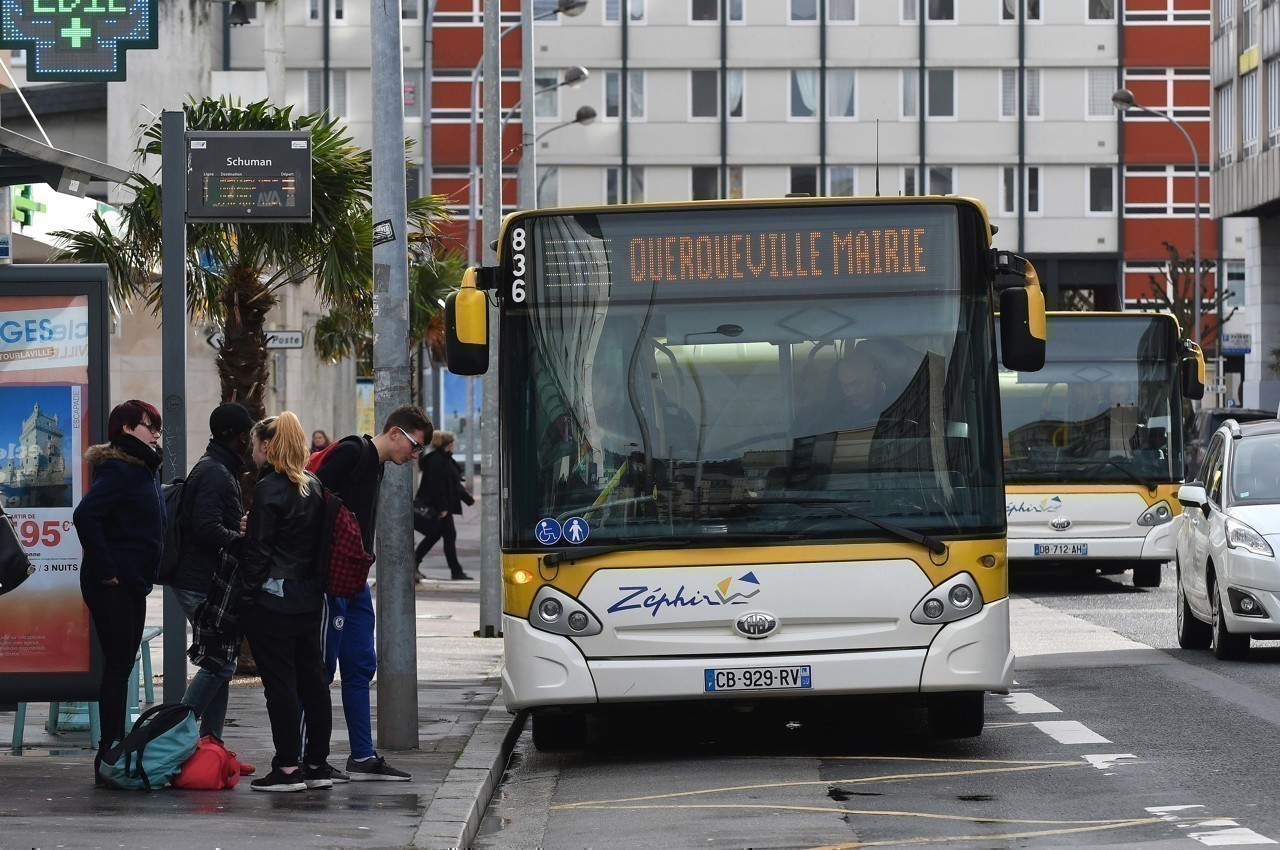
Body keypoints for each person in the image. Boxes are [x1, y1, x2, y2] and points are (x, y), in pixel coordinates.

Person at [313, 405, 431, 781]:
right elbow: (308, 495)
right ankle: (306, 759)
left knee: (360, 663)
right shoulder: (352, 451)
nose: (415, 455)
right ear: (395, 433)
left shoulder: (375, 465)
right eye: (415, 446)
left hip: (355, 577)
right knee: (320, 668)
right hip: (332, 578)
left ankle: (362, 754)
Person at [238, 412, 338, 792]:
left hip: (273, 600)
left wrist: (245, 601)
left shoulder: (269, 487)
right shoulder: (313, 484)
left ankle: (287, 768)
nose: (253, 452)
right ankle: (316, 763)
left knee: (280, 685)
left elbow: (259, 554)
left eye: (255, 445)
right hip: (308, 598)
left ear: (267, 446)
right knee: (313, 682)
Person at [73, 400, 165, 786]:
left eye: (157, 427)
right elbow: (85, 515)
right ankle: (108, 753)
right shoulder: (121, 468)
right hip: (112, 584)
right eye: (149, 425)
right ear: (126, 428)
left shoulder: (142, 468)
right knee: (117, 666)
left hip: (132, 582)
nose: (156, 433)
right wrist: (108, 569)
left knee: (123, 664)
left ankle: (115, 748)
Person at [171, 402, 255, 759]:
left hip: (204, 580)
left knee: (219, 661)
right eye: (248, 434)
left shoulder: (219, 467)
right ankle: (171, 731)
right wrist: (242, 540)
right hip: (199, 582)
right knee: (221, 663)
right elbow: (205, 528)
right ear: (239, 437)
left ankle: (211, 745)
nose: (251, 440)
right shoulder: (216, 472)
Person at [414, 431, 475, 581]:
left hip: (443, 507)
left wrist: (468, 500)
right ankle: (455, 571)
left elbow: (454, 483)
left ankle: (415, 562)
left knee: (440, 535)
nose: (454, 445)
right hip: (438, 508)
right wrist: (442, 508)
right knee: (445, 536)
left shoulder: (445, 459)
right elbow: (437, 486)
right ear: (448, 444)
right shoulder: (437, 460)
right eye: (453, 442)